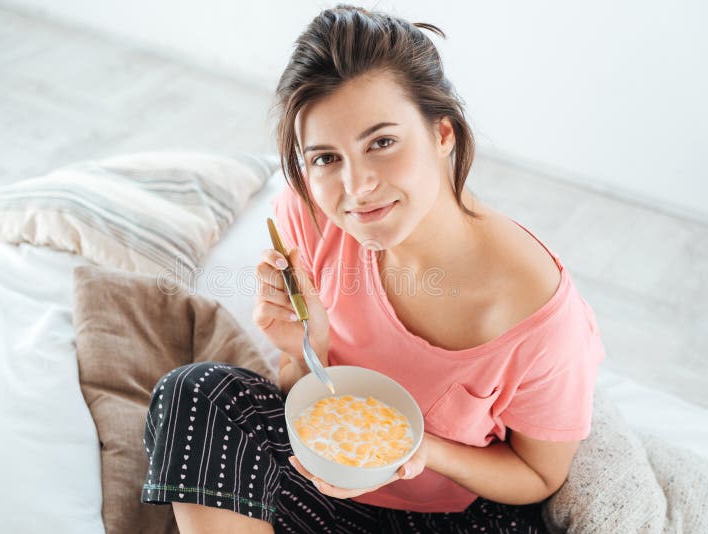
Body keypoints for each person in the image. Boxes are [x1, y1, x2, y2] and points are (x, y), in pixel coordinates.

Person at [141, 4, 605, 533]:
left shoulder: (538, 313)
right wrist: (302, 351)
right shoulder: (309, 216)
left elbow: (538, 475)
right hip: (319, 480)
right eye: (326, 159)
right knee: (193, 393)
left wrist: (419, 449)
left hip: (447, 519)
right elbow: (303, 396)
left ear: (442, 134)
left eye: (381, 143)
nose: (356, 188)